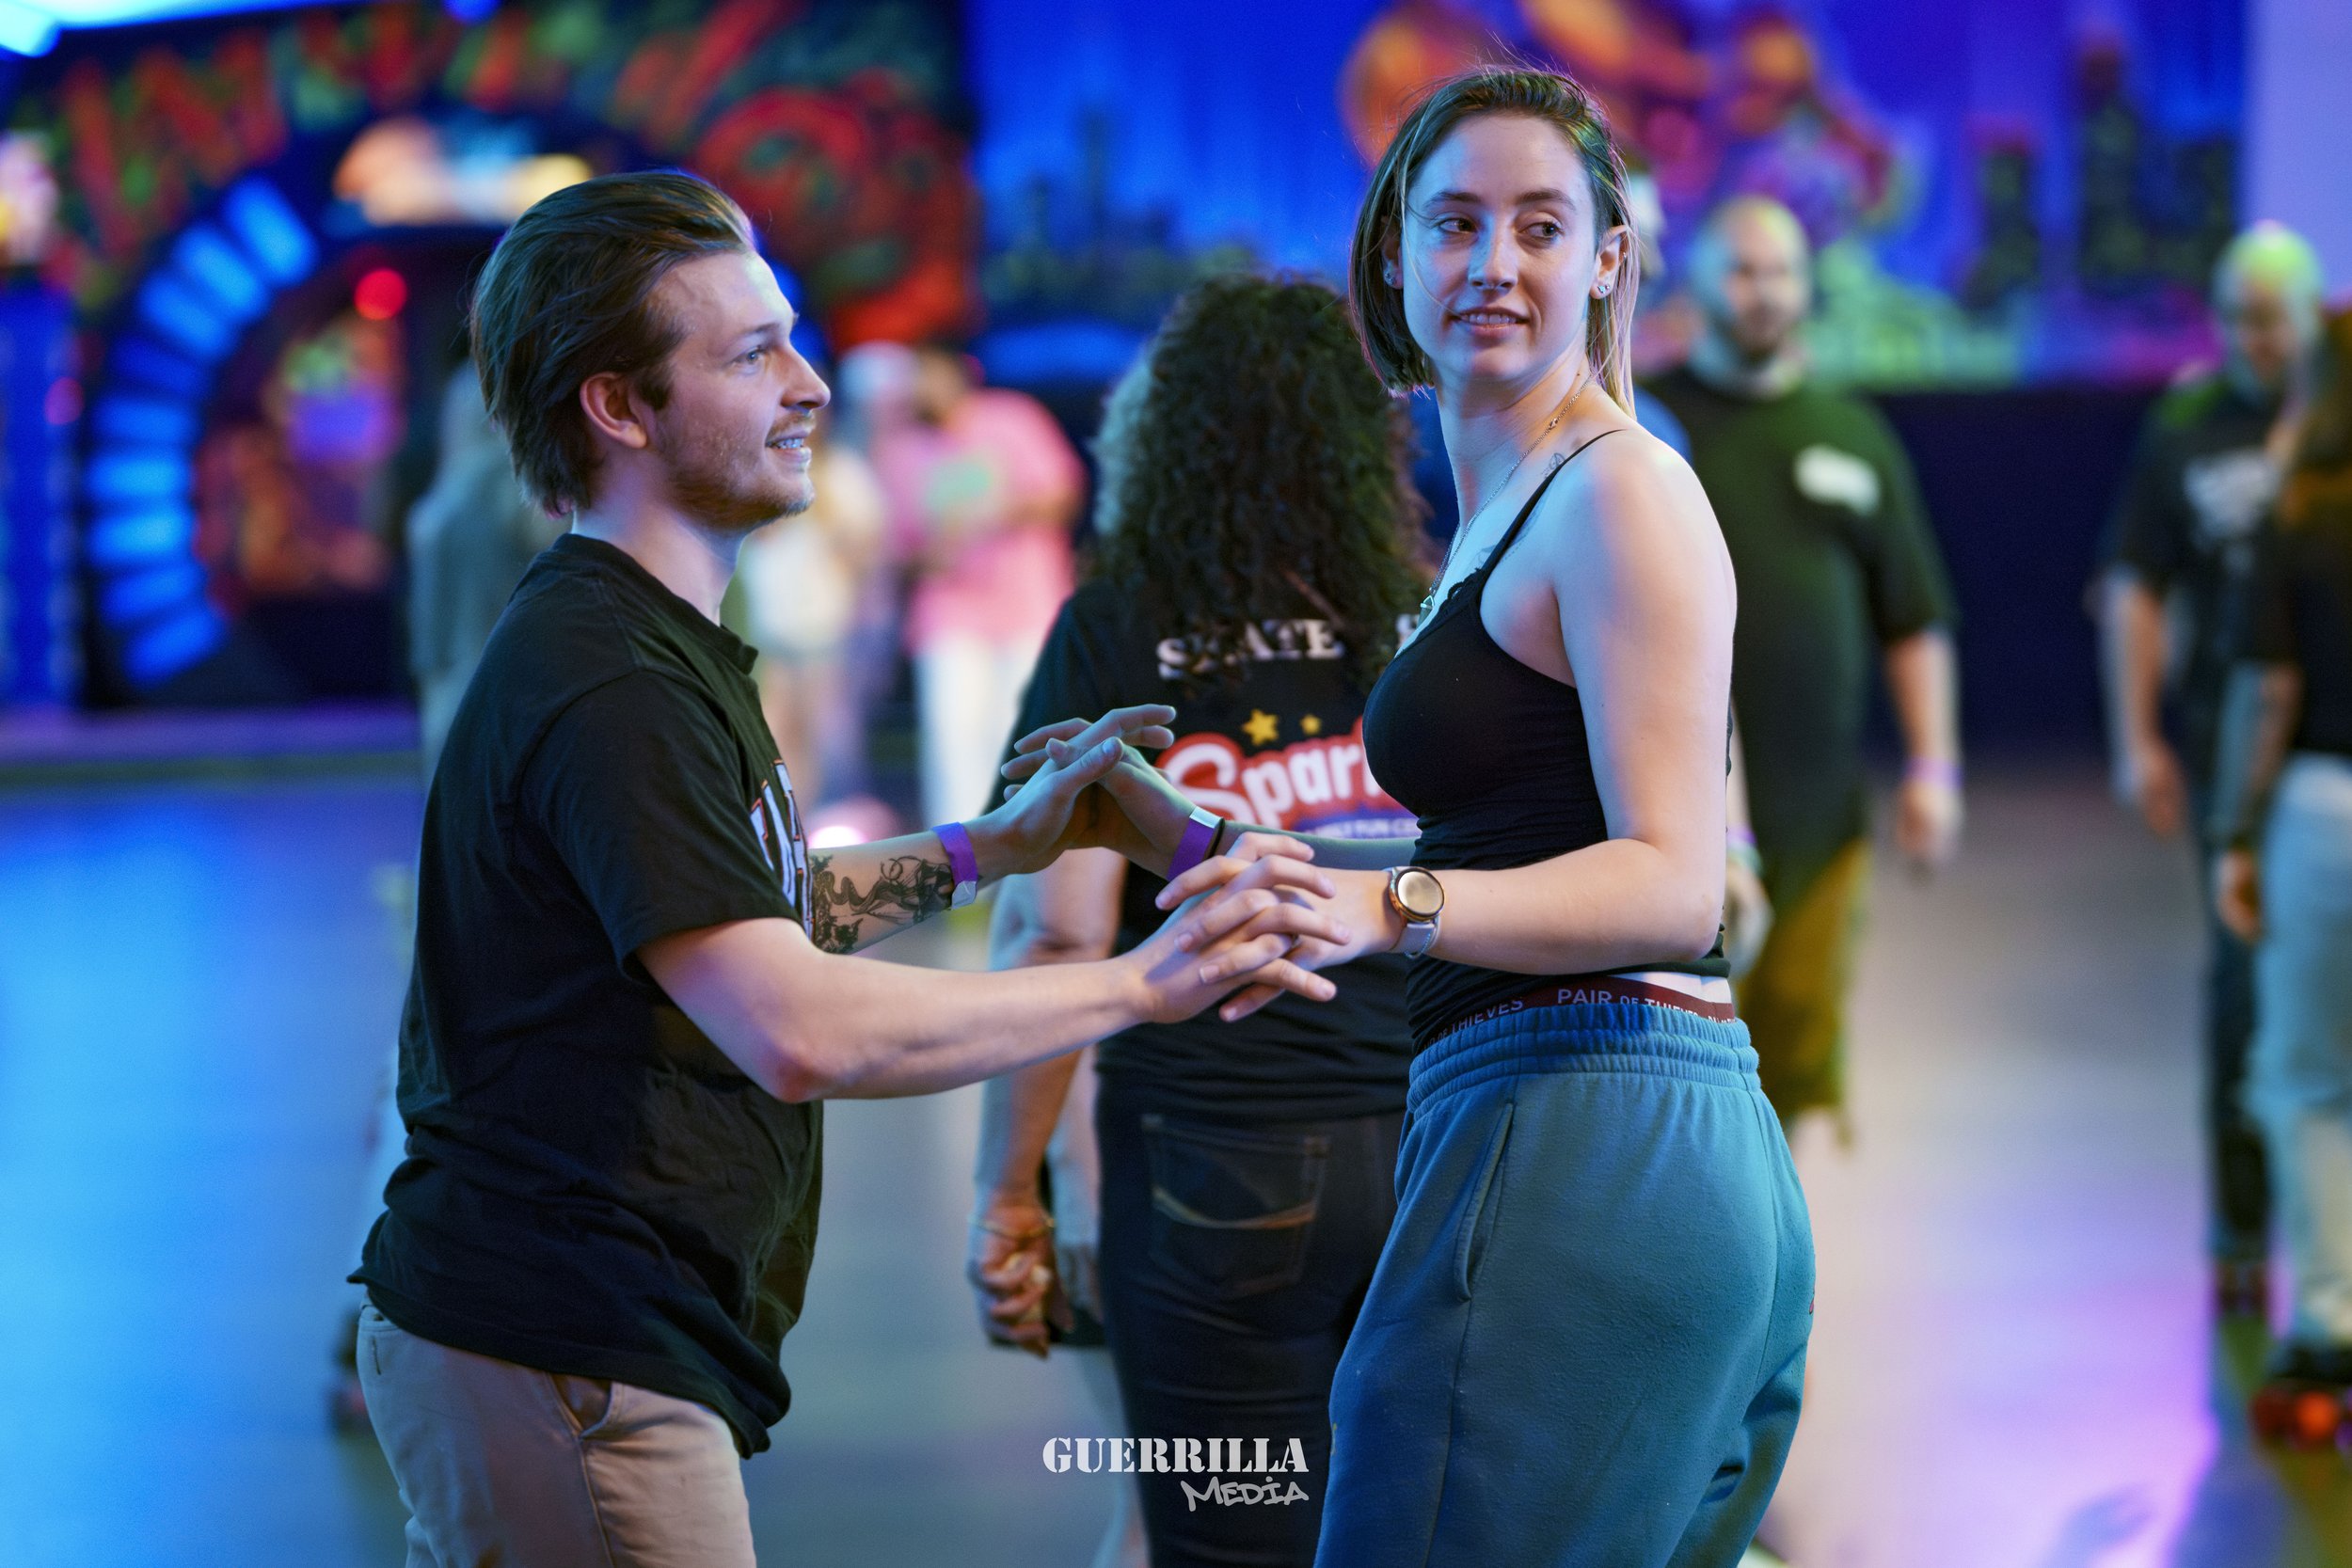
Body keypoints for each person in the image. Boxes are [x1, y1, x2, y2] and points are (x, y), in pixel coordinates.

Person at [349, 169, 1348, 1568]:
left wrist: (991, 849)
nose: (807, 386)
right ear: (621, 408)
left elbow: (733, 912)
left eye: (791, 341)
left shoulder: (649, 641)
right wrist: (1150, 976)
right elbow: (798, 1026)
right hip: (562, 1350)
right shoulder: (605, 677)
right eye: (751, 354)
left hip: (575, 1346)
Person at [1028, 68, 1816, 1564]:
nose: (1493, 264)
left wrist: (1389, 904)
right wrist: (1200, 848)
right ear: (1392, 254)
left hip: (1589, 1125)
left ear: (1606, 259)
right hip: (1573, 1124)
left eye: (1539, 224)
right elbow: (1510, 834)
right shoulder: (1512, 510)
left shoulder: (1619, 490)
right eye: (1455, 223)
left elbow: (1672, 883)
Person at [966, 276, 1424, 1566]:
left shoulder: (1115, 630)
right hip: (1447, 1147)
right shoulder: (1431, 616)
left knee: (1226, 1533)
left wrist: (1013, 1190)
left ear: (1159, 434)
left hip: (1215, 1167)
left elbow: (1053, 935)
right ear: (1361, 436)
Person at [1645, 193, 1963, 1131]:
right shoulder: (1649, 432)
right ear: (1697, 282)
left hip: (1823, 817)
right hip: (1670, 811)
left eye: (1781, 271)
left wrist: (1933, 768)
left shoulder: (1852, 433)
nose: (1764, 291)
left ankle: (1770, 1275)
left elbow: (1914, 615)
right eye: (1741, 269)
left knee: (1788, 1058)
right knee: (1679, 1067)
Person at [2099, 222, 2325, 1314]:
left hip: (2330, 740)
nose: (2251, 340)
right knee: (2242, 987)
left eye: (2271, 320)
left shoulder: (2335, 419)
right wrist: (2135, 735)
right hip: (2232, 746)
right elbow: (2133, 584)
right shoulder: (2184, 427)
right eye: (2234, 317)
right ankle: (2242, 1230)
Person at [2212, 305, 2352, 1418]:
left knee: (2306, 1078)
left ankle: (2326, 1324)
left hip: (2322, 805)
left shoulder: (2296, 511)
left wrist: (2235, 833)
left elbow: (2269, 694)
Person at [868, 340, 1086, 827]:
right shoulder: (901, 448)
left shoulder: (1010, 417)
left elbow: (1064, 495)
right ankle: (966, 861)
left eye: (927, 372)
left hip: (1027, 602)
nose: (921, 386)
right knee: (953, 735)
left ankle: (1033, 840)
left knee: (1026, 731)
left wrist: (999, 512)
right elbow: (896, 549)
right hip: (950, 611)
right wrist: (932, 552)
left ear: (955, 371)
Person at [726, 411, 885, 808]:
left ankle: (829, 822)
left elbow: (864, 546)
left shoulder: (842, 472)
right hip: (766, 629)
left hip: (824, 626)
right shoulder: (754, 469)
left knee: (827, 734)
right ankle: (789, 824)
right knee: (775, 736)